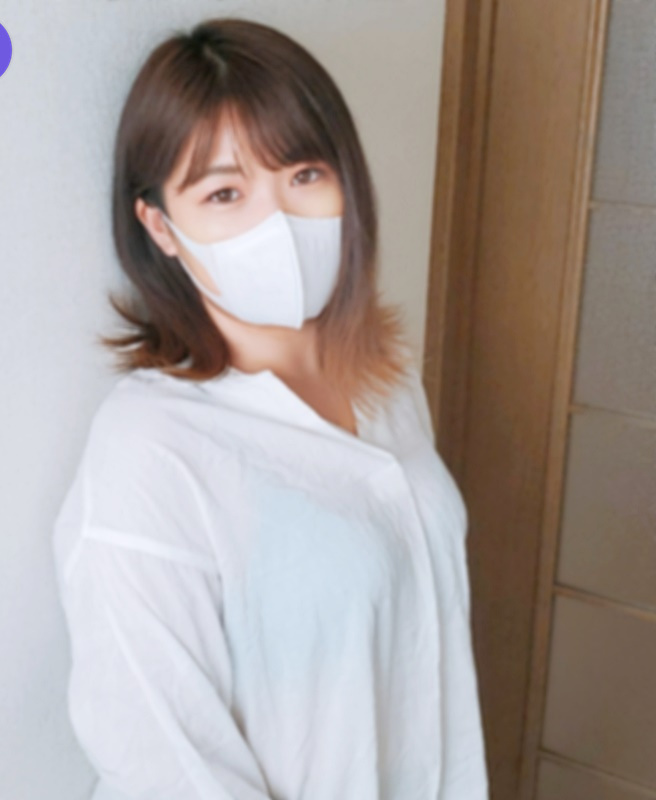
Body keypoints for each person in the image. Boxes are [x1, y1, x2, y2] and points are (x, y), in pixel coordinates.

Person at [51, 17, 489, 800]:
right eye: (225, 193)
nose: (277, 221)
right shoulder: (150, 447)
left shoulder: (386, 381)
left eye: (304, 174)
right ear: (161, 226)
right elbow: (166, 760)